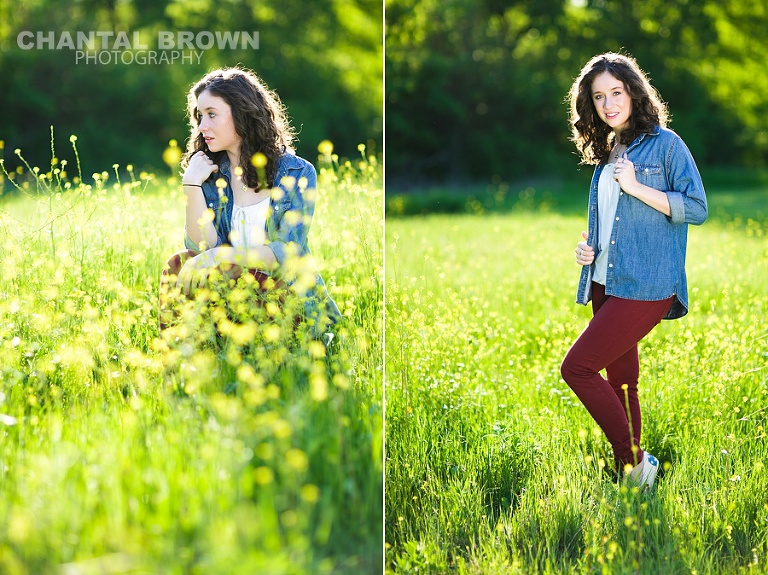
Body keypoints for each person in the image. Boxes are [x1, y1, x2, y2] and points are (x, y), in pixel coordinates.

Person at [560, 52, 707, 491]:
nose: (608, 104)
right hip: (606, 279)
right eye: (598, 96)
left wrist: (638, 187)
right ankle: (631, 473)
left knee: (577, 369)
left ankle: (637, 463)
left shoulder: (667, 145)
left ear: (633, 91)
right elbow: (611, 216)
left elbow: (696, 208)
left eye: (616, 92)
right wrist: (591, 248)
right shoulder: (609, 148)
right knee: (623, 381)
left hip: (646, 284)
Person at [159, 67, 341, 342]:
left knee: (226, 268)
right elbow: (201, 249)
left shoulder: (296, 172)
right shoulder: (210, 174)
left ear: (242, 112)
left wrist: (221, 256)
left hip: (284, 296)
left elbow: (286, 253)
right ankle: (181, 364)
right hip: (234, 294)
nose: (201, 127)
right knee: (179, 263)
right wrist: (191, 184)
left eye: (211, 114)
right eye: (199, 116)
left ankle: (313, 342)